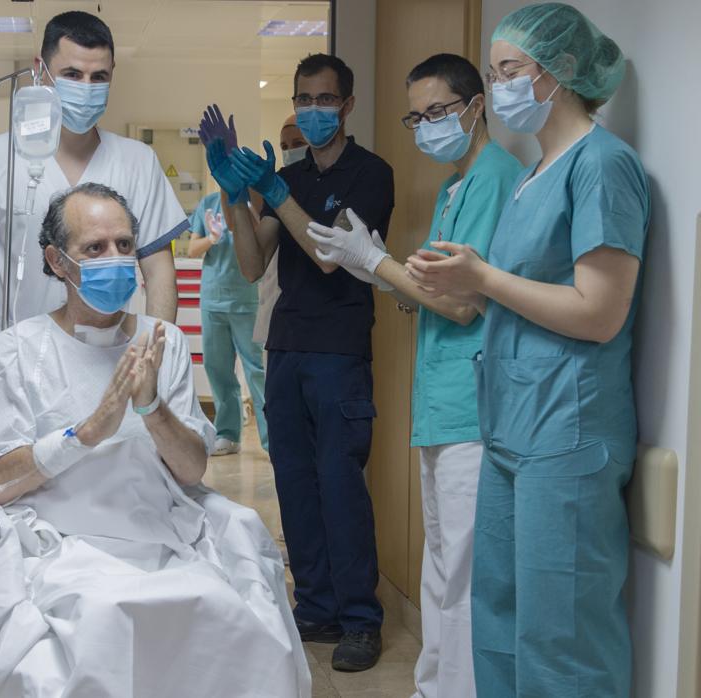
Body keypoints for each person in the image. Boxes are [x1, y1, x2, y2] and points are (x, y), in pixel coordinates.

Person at [0, 182, 311, 696]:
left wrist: (151, 407)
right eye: (94, 248)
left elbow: (192, 471)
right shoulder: (18, 351)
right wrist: (84, 434)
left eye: (124, 245)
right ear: (56, 261)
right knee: (101, 617)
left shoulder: (163, 343)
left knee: (223, 610)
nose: (115, 260)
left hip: (157, 534)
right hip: (62, 544)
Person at [406, 5, 648, 696]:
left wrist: (482, 279)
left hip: (567, 434)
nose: (500, 87)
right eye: (494, 73)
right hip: (512, 427)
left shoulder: (602, 165)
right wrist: (462, 281)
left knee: (560, 638)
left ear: (561, 71)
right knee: (500, 624)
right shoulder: (533, 175)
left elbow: (599, 312)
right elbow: (517, 296)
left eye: (510, 70)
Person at [307, 53, 521, 698]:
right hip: (445, 402)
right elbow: (430, 289)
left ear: (476, 106)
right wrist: (381, 270)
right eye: (417, 117)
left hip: (474, 407)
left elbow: (462, 303)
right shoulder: (459, 187)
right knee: (442, 565)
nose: (427, 126)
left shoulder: (494, 178)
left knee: (463, 574)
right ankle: (432, 687)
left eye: (438, 112)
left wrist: (375, 262)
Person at [204, 51, 395, 672]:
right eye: (303, 100)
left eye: (324, 99)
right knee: (294, 482)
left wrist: (277, 192)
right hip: (285, 347)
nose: (313, 111)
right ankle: (315, 607)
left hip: (339, 350)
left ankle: (360, 619)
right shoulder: (289, 176)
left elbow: (331, 258)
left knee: (340, 485)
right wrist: (235, 196)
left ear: (347, 104)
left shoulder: (372, 174)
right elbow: (252, 264)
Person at [0, 11, 187, 407]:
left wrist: (153, 362)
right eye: (72, 75)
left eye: (99, 77)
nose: (86, 88)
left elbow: (160, 273)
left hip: (111, 370)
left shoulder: (138, 163)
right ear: (41, 71)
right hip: (15, 373)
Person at [186, 190, 267, 456]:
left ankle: (273, 440)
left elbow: (265, 243)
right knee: (218, 369)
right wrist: (211, 238)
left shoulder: (254, 202)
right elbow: (192, 249)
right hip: (213, 299)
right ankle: (228, 434)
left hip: (246, 300)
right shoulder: (208, 204)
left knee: (257, 371)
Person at [252, 114, 308, 348]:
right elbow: (254, 255)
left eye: (298, 144)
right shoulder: (276, 185)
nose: (290, 151)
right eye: (284, 146)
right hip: (277, 309)